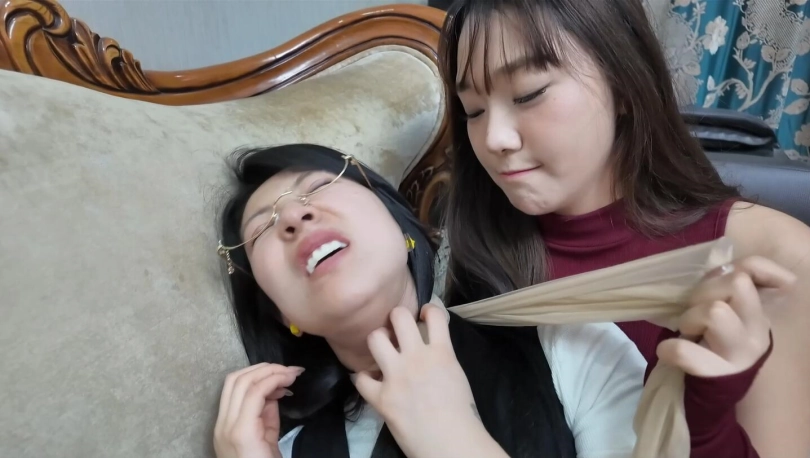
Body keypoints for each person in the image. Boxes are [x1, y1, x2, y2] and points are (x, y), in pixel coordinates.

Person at [437, 0, 810, 457]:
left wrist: (704, 422)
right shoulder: (480, 247)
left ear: (625, 84)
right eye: (473, 110)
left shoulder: (772, 260)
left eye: (529, 94)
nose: (494, 138)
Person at [211, 143, 648, 458]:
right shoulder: (282, 450)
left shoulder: (572, 346)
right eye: (261, 229)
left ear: (401, 223)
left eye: (320, 186)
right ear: (280, 313)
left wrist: (451, 439)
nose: (292, 215)